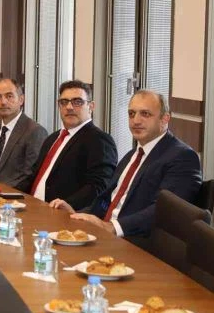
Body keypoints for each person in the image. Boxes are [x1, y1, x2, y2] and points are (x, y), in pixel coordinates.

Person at [50, 90, 202, 238]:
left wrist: (112, 227)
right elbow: (106, 201)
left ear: (165, 119)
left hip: (136, 241)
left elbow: (166, 211)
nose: (136, 121)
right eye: (131, 114)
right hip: (104, 235)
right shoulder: (132, 155)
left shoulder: (182, 157)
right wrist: (77, 214)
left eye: (145, 114)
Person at [17, 80, 117, 210]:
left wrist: (67, 205)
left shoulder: (99, 140)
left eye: (77, 102)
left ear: (91, 106)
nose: (69, 107)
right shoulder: (53, 138)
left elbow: (99, 185)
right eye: (64, 102)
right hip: (31, 207)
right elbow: (33, 176)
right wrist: (9, 194)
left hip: (61, 213)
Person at [0, 78, 48, 188]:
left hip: (9, 194)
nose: (3, 102)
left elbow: (29, 175)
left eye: (9, 96)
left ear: (21, 100)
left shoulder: (35, 131)